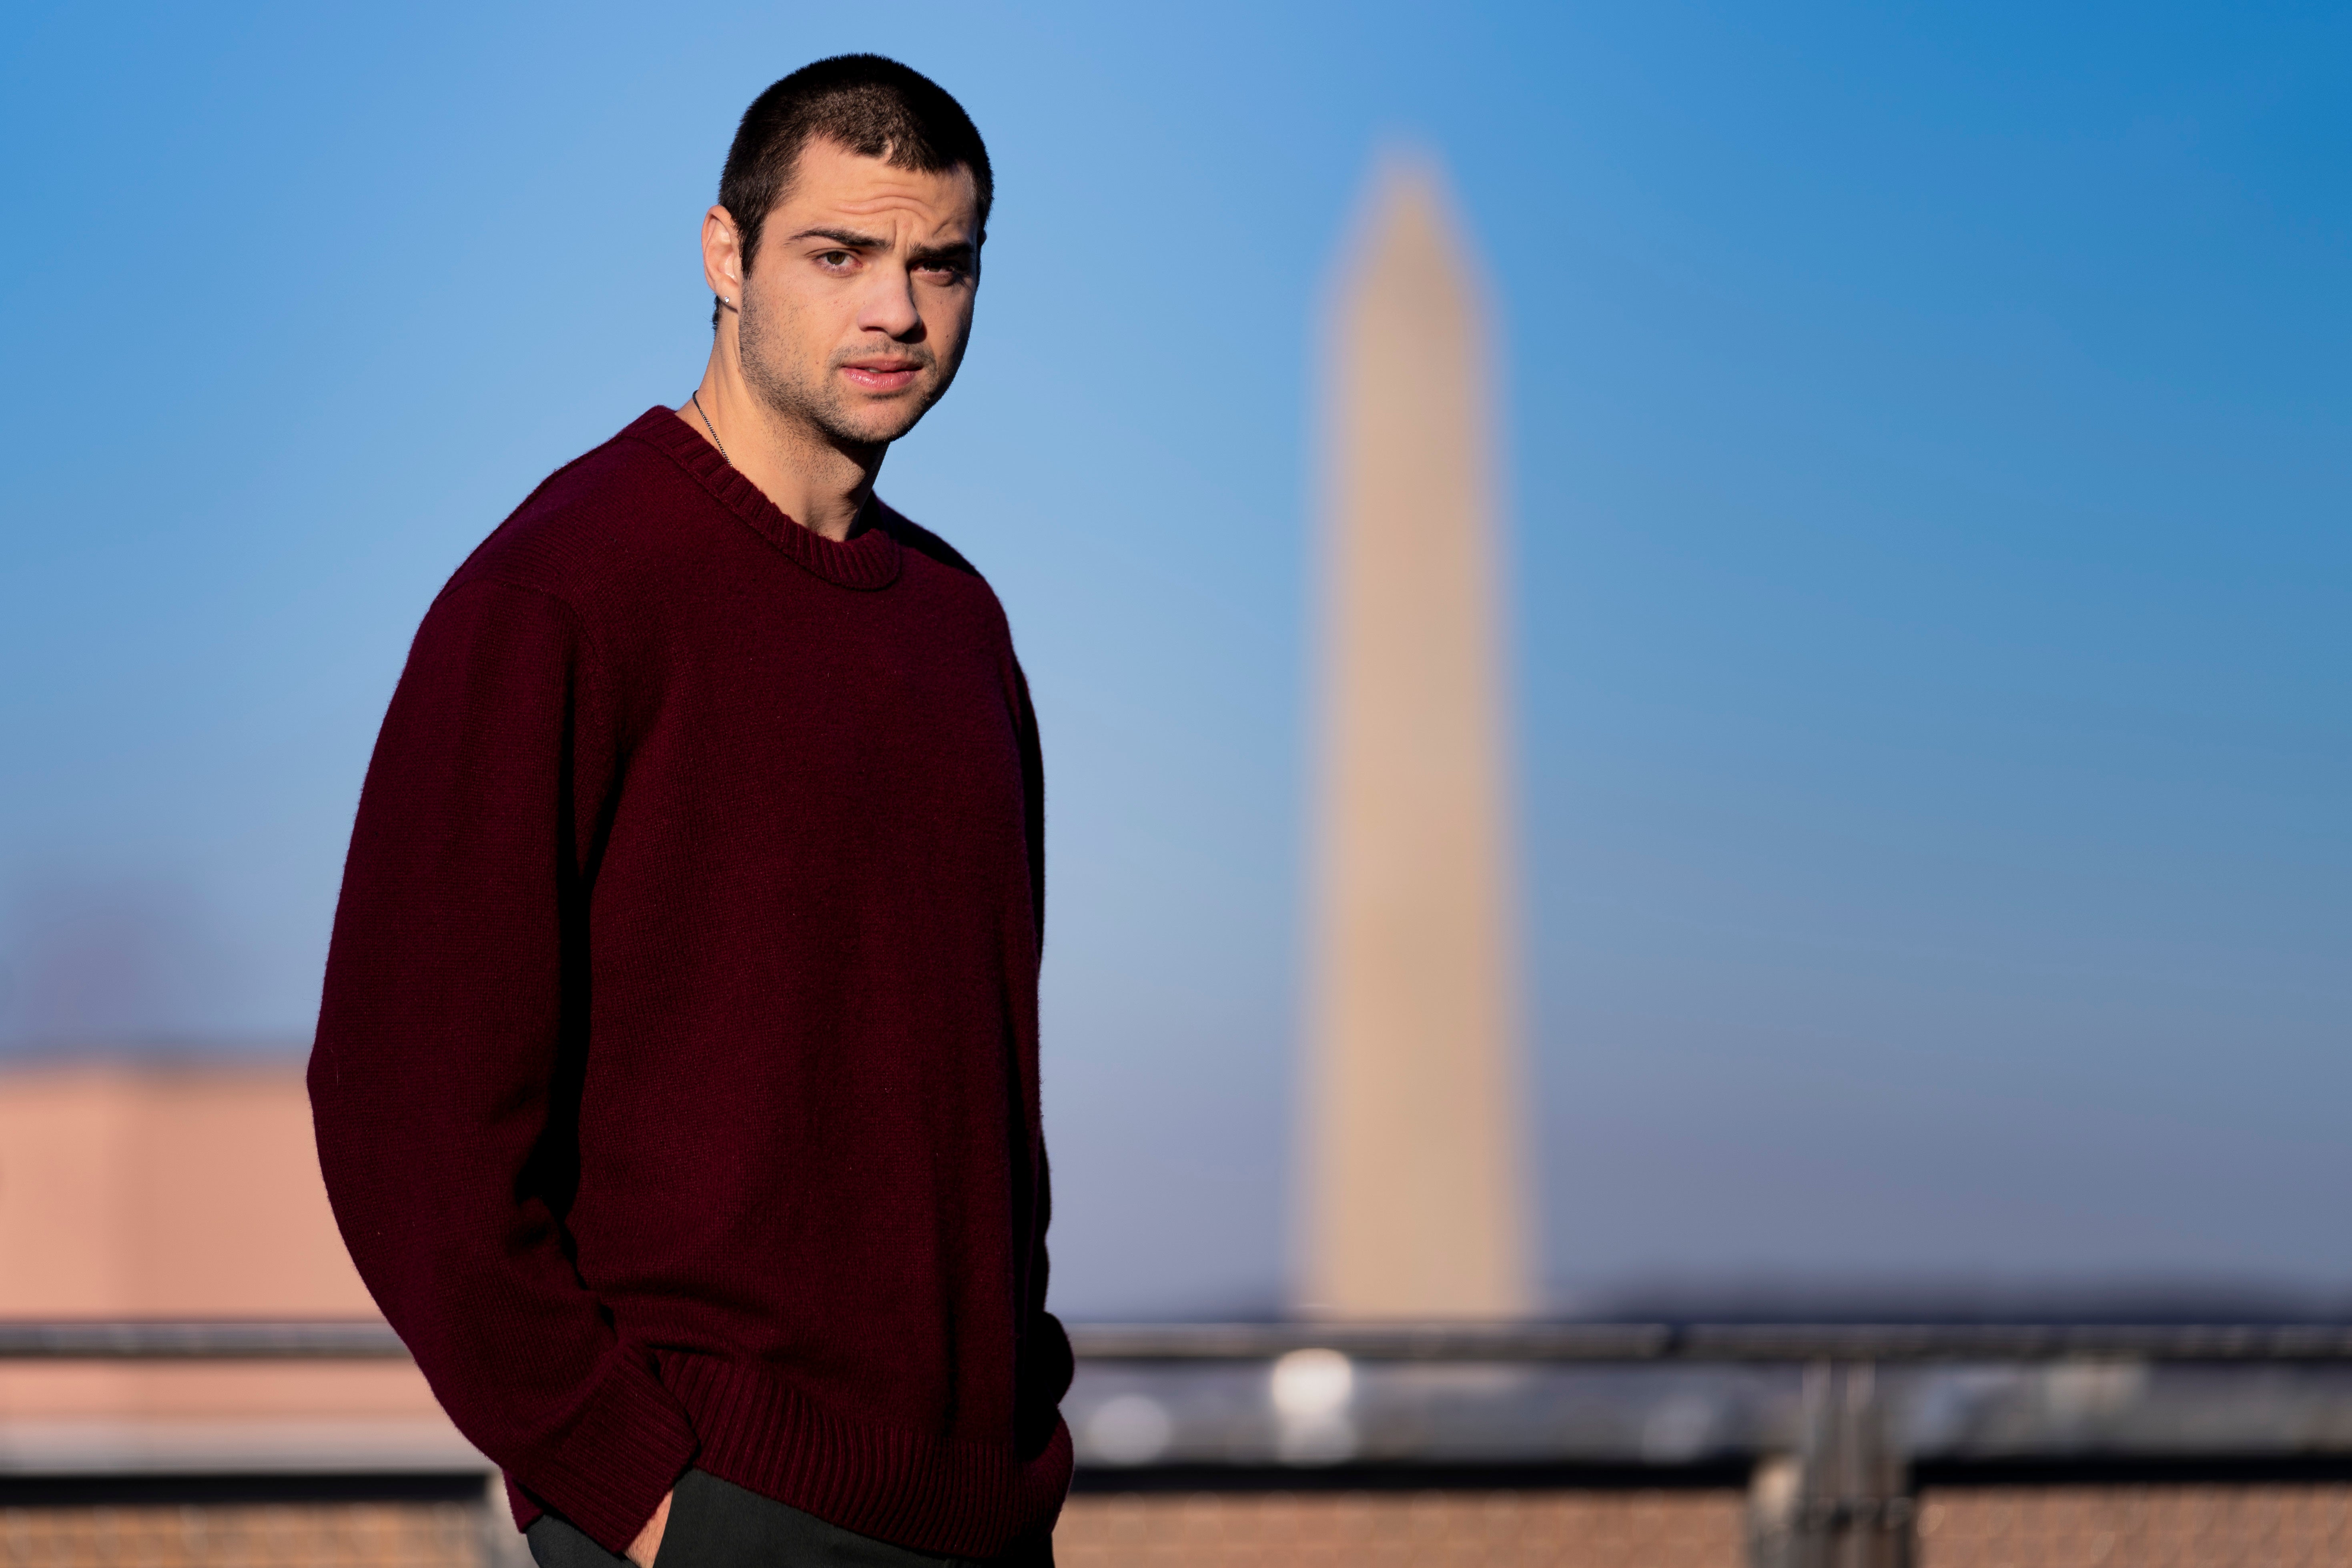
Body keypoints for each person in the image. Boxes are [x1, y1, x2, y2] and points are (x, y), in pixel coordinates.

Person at [308, 54, 1069, 1568]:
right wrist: (633, 1484)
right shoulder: (559, 594)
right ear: (726, 254)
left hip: (975, 1511)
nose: (896, 314)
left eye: (941, 265)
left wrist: (1015, 1425)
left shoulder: (960, 625)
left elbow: (978, 1087)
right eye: (839, 255)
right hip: (720, 1504)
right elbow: (403, 1104)